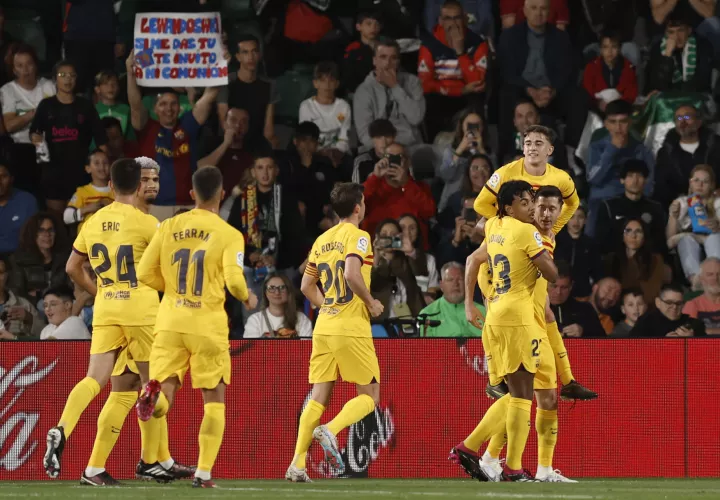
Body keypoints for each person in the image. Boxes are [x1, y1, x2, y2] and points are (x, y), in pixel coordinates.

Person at [43, 159, 179, 484]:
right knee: (153, 388)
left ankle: (63, 428)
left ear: (113, 186)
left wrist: (98, 290)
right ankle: (155, 461)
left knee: (96, 380)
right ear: (138, 186)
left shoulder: (92, 221)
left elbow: (72, 267)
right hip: (141, 310)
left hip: (106, 308)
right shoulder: (147, 224)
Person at [135, 166, 258, 488]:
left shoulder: (169, 226)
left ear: (192, 194)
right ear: (219, 194)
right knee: (213, 398)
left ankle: (151, 397)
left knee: (165, 392)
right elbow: (234, 281)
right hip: (207, 324)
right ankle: (203, 474)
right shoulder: (230, 234)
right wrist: (248, 299)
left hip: (170, 321)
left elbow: (145, 273)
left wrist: (175, 289)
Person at [453, 180, 558, 482]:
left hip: (494, 315)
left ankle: (472, 447)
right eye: (524, 202)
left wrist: (470, 305)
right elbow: (551, 273)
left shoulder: (494, 226)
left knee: (513, 393)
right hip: (518, 317)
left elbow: (474, 258)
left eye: (531, 201)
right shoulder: (526, 232)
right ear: (510, 207)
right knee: (524, 396)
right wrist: (543, 250)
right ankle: (510, 467)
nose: (531, 207)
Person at [286, 182, 384, 483]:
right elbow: (352, 274)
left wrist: (327, 306)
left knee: (318, 395)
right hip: (350, 326)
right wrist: (371, 302)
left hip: (324, 326)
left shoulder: (322, 239)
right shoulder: (360, 236)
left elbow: (305, 286)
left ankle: (297, 465)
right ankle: (331, 430)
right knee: (370, 396)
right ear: (358, 208)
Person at [126, 52, 220, 219]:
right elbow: (134, 104)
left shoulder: (187, 125)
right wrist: (130, 73)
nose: (168, 109)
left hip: (188, 206)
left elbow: (209, 97)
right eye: (163, 104)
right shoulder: (148, 128)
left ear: (179, 107)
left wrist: (220, 66)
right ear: (155, 109)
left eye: (173, 104)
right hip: (154, 207)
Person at [30, 60, 108, 213]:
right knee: (57, 219)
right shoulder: (46, 105)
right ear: (55, 79)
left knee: (80, 218)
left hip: (80, 172)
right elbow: (35, 132)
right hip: (53, 172)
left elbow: (101, 139)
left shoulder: (85, 106)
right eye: (62, 75)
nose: (67, 79)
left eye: (72, 75)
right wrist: (36, 139)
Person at [474, 125, 579, 235]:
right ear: (523, 149)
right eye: (528, 143)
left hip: (538, 240)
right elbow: (480, 204)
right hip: (506, 238)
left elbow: (573, 203)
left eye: (538, 143)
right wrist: (507, 224)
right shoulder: (505, 173)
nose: (532, 148)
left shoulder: (561, 178)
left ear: (550, 150)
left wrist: (553, 229)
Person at [418, 0, 489, 139]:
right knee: (428, 101)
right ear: (440, 21)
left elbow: (478, 82)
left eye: (457, 18)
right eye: (448, 18)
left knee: (477, 99)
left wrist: (461, 53)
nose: (453, 23)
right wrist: (459, 90)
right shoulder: (429, 45)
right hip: (441, 96)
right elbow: (425, 84)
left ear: (465, 19)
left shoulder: (478, 43)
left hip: (468, 96)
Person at [0, 43, 55, 195]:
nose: (25, 70)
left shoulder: (48, 86)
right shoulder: (8, 91)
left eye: (29, 64)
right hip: (21, 149)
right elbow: (9, 125)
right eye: (20, 65)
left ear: (36, 65)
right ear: (13, 69)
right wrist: (35, 113)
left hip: (49, 145)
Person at [353, 37, 426, 151]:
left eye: (393, 58)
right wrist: (389, 150)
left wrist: (395, 87)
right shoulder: (363, 91)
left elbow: (416, 118)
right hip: (379, 150)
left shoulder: (413, 82)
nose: (388, 63)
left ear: (398, 61)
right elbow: (364, 135)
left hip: (412, 146)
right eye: (383, 57)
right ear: (374, 60)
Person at [593, 159, 667, 257]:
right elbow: (601, 243)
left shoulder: (655, 208)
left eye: (639, 176)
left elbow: (660, 243)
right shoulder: (608, 207)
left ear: (645, 180)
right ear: (622, 180)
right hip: (616, 262)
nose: (635, 180)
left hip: (647, 262)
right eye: (630, 175)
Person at [666, 164, 720, 283]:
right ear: (690, 183)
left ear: (711, 185)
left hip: (713, 239)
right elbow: (670, 239)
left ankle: (716, 277)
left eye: (705, 181)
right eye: (696, 180)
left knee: (714, 238)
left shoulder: (718, 203)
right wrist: (673, 216)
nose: (700, 185)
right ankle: (696, 281)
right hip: (688, 239)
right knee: (686, 241)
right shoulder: (681, 203)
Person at [298, 61, 352, 169]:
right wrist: (322, 153)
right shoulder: (306, 106)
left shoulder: (344, 106)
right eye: (322, 80)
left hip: (338, 154)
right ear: (315, 83)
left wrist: (335, 152)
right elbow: (306, 138)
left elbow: (344, 137)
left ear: (337, 84)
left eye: (331, 80)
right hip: (314, 153)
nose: (327, 85)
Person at [438, 109, 492, 211]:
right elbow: (446, 175)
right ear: (462, 126)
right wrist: (460, 149)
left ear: (482, 128)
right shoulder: (451, 150)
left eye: (477, 125)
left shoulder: (488, 152)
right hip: (453, 202)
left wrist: (480, 150)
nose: (473, 129)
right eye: (469, 125)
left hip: (482, 200)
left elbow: (495, 177)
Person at [605, 217, 667, 306]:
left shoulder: (655, 259)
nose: (633, 236)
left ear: (644, 237)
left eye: (638, 231)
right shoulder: (611, 259)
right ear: (622, 236)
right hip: (619, 308)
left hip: (644, 307)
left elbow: (652, 293)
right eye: (628, 231)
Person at [419, 262, 484, 337]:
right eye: (450, 280)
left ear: (466, 283)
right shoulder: (427, 315)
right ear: (441, 285)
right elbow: (425, 347)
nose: (455, 284)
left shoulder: (483, 312)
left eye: (460, 279)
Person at [554, 206, 604, 299]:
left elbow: (597, 272)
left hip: (582, 294)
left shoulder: (591, 244)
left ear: (585, 220)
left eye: (580, 217)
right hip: (557, 291)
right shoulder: (555, 241)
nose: (576, 221)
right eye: (572, 217)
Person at [548, 260, 607, 338]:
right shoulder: (532, 308)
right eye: (554, 286)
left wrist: (583, 331)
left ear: (571, 287)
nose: (558, 292)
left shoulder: (585, 310)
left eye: (564, 287)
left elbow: (603, 341)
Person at [243, 273, 313, 338]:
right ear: (265, 292)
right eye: (271, 288)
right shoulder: (255, 320)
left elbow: (307, 349)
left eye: (282, 287)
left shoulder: (302, 319)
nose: (277, 292)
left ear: (288, 291)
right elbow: (251, 350)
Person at [630, 284, 706, 337]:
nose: (674, 307)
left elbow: (708, 355)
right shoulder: (645, 323)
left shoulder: (695, 325)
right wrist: (663, 344)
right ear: (658, 302)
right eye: (669, 302)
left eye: (678, 303)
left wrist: (693, 341)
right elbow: (633, 352)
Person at [63, 150, 113, 229]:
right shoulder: (82, 192)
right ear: (88, 168)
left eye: (105, 163)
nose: (102, 166)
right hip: (87, 240)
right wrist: (86, 209)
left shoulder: (118, 191)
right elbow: (67, 218)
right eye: (97, 163)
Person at [0, 255, 44, 339]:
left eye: (0, 272)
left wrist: (29, 318)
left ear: (6, 276)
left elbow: (44, 335)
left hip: (18, 350)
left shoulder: (23, 304)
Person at [0, 162, 38, 257]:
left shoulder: (27, 200)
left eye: (3, 176)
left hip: (20, 259)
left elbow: (33, 237)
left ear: (11, 179)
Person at [343, 11, 382, 93]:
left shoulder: (384, 47)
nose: (373, 28)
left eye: (376, 24)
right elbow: (349, 77)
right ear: (358, 27)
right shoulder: (353, 49)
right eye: (368, 24)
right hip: (360, 91)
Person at [683, 257, 720, 335]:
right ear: (701, 278)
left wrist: (704, 331)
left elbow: (695, 332)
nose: (715, 278)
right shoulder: (692, 305)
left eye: (719, 274)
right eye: (710, 274)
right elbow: (687, 333)